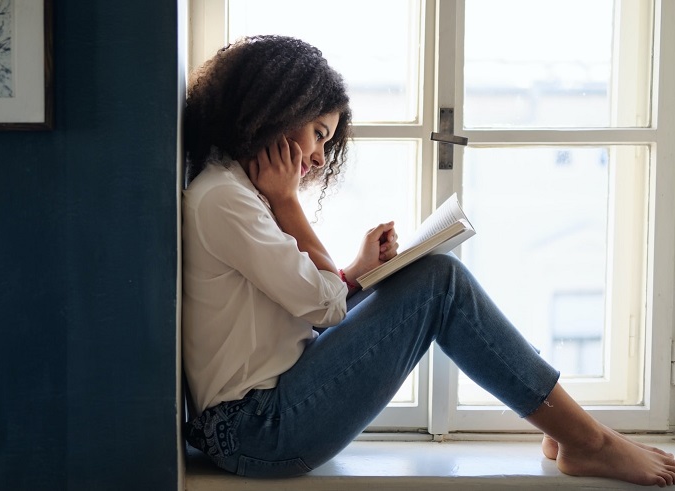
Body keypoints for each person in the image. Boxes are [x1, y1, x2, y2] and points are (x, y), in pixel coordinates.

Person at [182, 34, 675, 487]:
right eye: (318, 133)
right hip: (257, 430)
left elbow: (305, 300)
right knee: (440, 282)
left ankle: (570, 428)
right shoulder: (226, 199)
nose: (318, 156)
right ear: (276, 105)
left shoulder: (236, 192)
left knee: (430, 275)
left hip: (263, 413)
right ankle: (586, 441)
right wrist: (289, 204)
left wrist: (355, 271)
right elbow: (322, 307)